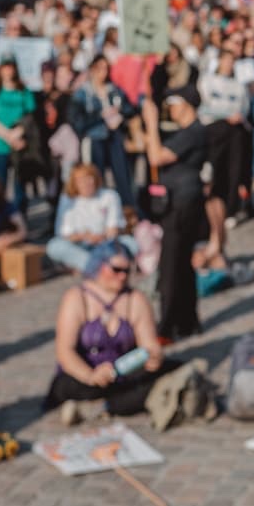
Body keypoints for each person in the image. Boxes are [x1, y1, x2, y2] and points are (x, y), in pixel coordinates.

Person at [43, 240, 182, 425]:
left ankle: (98, 407)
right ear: (99, 266)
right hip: (85, 374)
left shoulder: (135, 299)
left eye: (127, 271)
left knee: (171, 370)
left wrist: (153, 356)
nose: (122, 276)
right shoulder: (76, 298)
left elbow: (149, 343)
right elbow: (64, 351)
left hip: (122, 373)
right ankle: (97, 403)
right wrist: (91, 376)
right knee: (67, 385)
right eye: (116, 270)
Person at [140, 87, 208, 340]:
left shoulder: (194, 132)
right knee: (181, 264)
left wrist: (151, 121)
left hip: (182, 205)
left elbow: (157, 157)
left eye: (175, 104)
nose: (172, 110)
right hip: (179, 202)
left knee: (170, 265)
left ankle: (168, 324)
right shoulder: (185, 133)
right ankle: (187, 321)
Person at [197, 48, 251, 249]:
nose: (229, 65)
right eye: (226, 60)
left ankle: (230, 208)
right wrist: (224, 114)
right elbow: (204, 106)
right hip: (214, 129)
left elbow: (244, 106)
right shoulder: (208, 81)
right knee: (213, 170)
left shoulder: (238, 85)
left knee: (234, 170)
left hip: (235, 132)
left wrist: (235, 116)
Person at [69, 54, 138, 209]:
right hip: (94, 139)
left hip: (115, 138)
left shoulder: (114, 90)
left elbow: (130, 109)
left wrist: (120, 113)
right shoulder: (83, 93)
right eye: (99, 68)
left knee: (123, 178)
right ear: (92, 70)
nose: (103, 73)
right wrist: (101, 115)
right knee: (94, 178)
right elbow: (78, 122)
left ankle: (129, 213)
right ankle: (95, 213)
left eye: (106, 68)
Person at [47, 163, 134, 274]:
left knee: (131, 244)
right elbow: (63, 233)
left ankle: (93, 267)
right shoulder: (67, 200)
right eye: (81, 180)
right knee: (54, 246)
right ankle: (100, 268)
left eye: (89, 178)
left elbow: (113, 229)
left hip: (105, 243)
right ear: (74, 183)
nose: (86, 184)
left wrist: (100, 237)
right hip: (80, 245)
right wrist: (85, 236)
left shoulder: (109, 195)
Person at [0, 57, 36, 216]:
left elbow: (30, 115)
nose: (8, 71)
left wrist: (18, 133)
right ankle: (0, 220)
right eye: (5, 67)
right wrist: (8, 136)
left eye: (11, 67)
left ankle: (20, 220)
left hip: (20, 143)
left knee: (20, 186)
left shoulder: (23, 90)